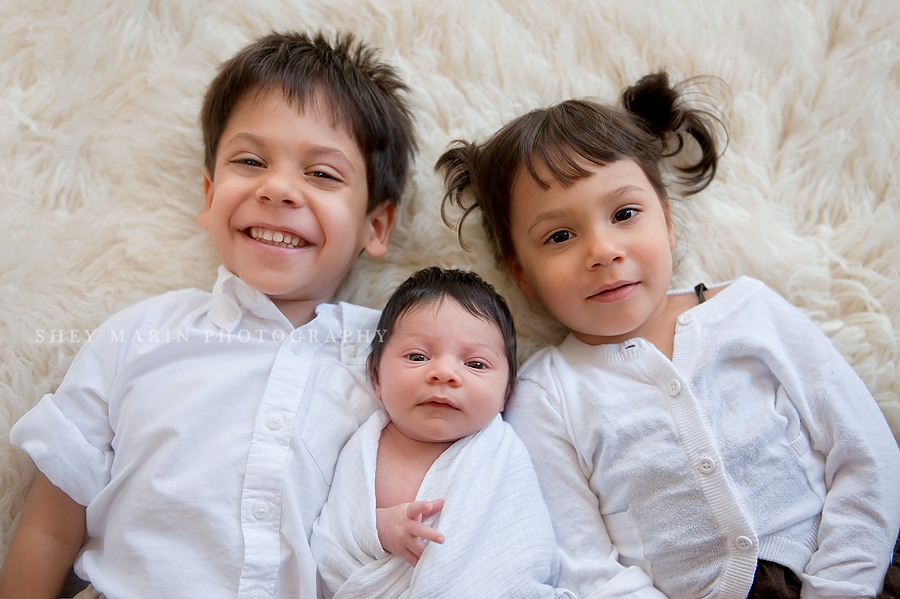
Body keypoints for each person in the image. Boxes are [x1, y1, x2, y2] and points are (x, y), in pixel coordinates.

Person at [435, 72, 900, 598]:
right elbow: (582, 562)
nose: (603, 251)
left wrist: (843, 583)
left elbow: (864, 449)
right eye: (560, 235)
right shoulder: (546, 395)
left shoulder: (749, 310)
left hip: (855, 569)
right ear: (522, 276)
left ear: (669, 224)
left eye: (625, 213)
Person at [0, 31, 416, 599]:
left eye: (321, 173)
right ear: (208, 193)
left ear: (376, 225)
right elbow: (50, 528)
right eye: (250, 161)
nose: (278, 188)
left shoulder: (399, 357)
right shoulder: (139, 334)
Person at [310, 267, 572, 598]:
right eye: (417, 356)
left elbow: (519, 548)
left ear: (507, 392)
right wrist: (379, 527)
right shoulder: (361, 448)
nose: (444, 373)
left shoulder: (500, 457)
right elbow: (333, 536)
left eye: (476, 364)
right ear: (375, 376)